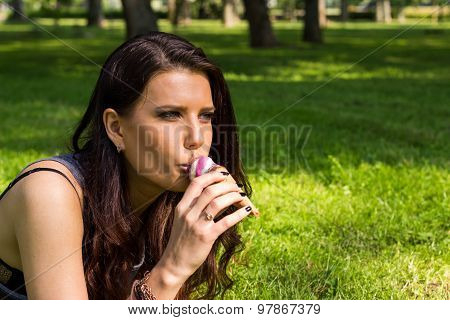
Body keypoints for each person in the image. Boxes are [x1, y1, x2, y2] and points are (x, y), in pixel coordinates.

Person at [0, 31, 255, 300]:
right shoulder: (49, 193)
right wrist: (172, 270)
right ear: (116, 128)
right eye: (170, 115)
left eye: (205, 116)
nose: (196, 138)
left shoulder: (167, 201)